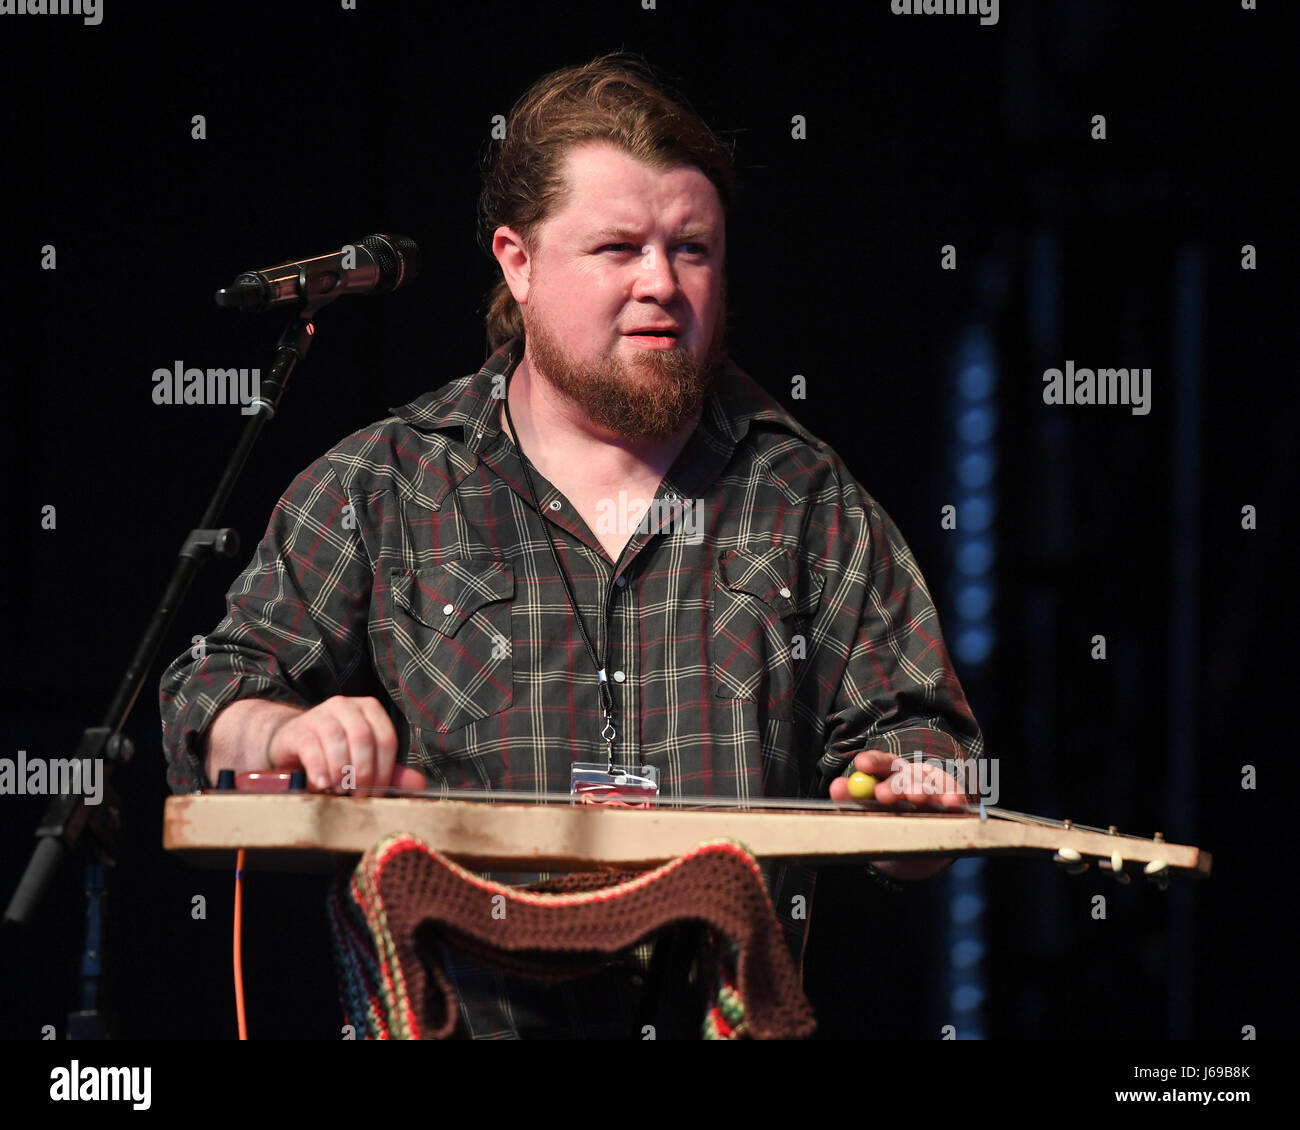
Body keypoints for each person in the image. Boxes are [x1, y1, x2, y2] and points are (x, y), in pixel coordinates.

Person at [159, 53, 983, 1039]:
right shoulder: (387, 482)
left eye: (692, 249)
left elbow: (919, 741)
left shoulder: (805, 497)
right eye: (616, 249)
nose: (661, 286)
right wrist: (278, 732)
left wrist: (911, 794)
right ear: (516, 259)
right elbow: (210, 688)